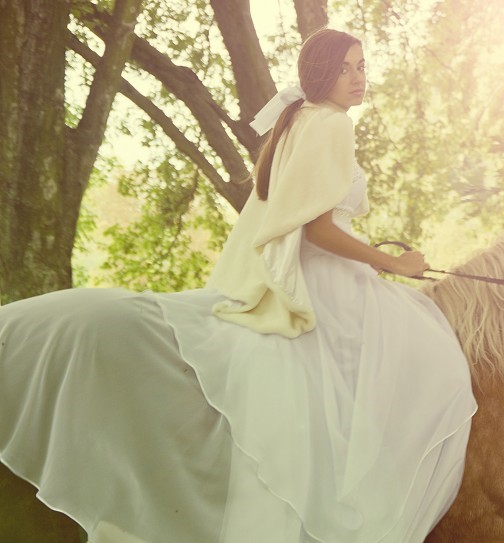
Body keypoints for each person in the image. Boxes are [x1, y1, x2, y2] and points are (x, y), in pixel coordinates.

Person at [0, 28, 477, 543]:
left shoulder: (301, 120)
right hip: (320, 283)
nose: (359, 79)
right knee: (426, 361)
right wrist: (393, 264)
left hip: (300, 272)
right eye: (346, 68)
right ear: (319, 73)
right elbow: (315, 228)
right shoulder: (331, 123)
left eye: (361, 66)